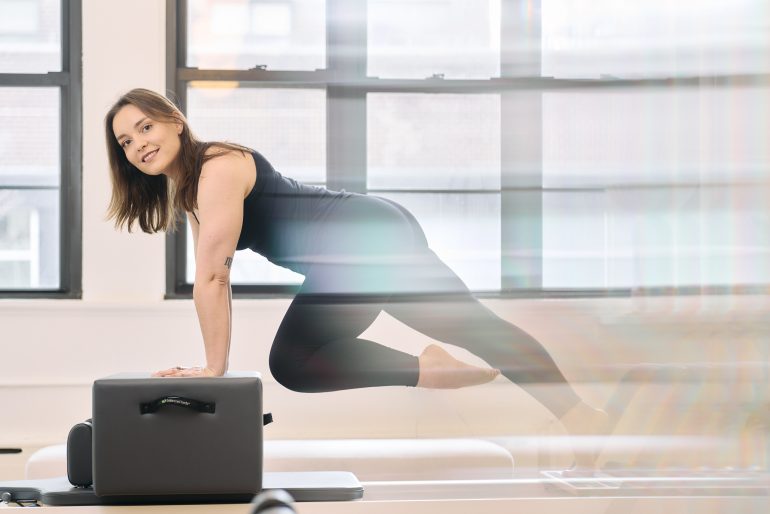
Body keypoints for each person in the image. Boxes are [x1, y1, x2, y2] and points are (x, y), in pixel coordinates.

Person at [105, 88, 610, 466]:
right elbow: (215, 277)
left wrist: (214, 370)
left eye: (145, 128)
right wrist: (215, 365)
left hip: (356, 244)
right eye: (126, 141)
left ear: (174, 121)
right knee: (480, 330)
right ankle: (583, 420)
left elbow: (213, 276)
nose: (138, 145)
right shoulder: (196, 191)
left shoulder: (217, 166)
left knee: (293, 363)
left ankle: (430, 371)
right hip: (372, 234)